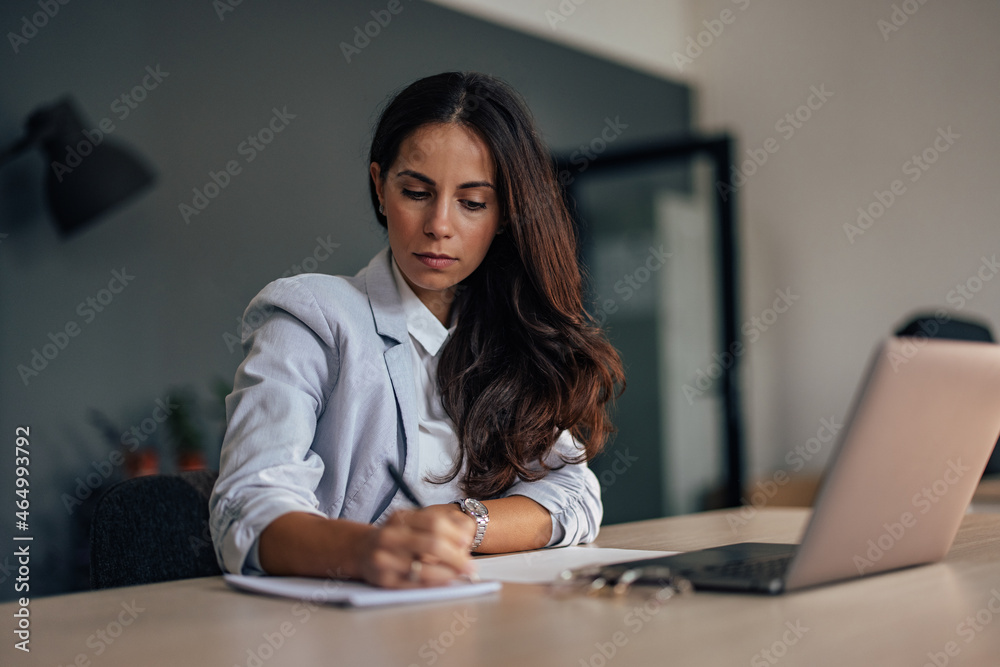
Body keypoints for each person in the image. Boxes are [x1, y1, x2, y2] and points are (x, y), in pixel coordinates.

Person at [209, 71, 625, 589]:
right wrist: (366, 548)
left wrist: (463, 523)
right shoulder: (311, 313)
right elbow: (245, 509)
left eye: (472, 203)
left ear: (503, 215)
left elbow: (576, 494)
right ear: (380, 187)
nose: (440, 226)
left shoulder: (505, 333)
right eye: (416, 192)